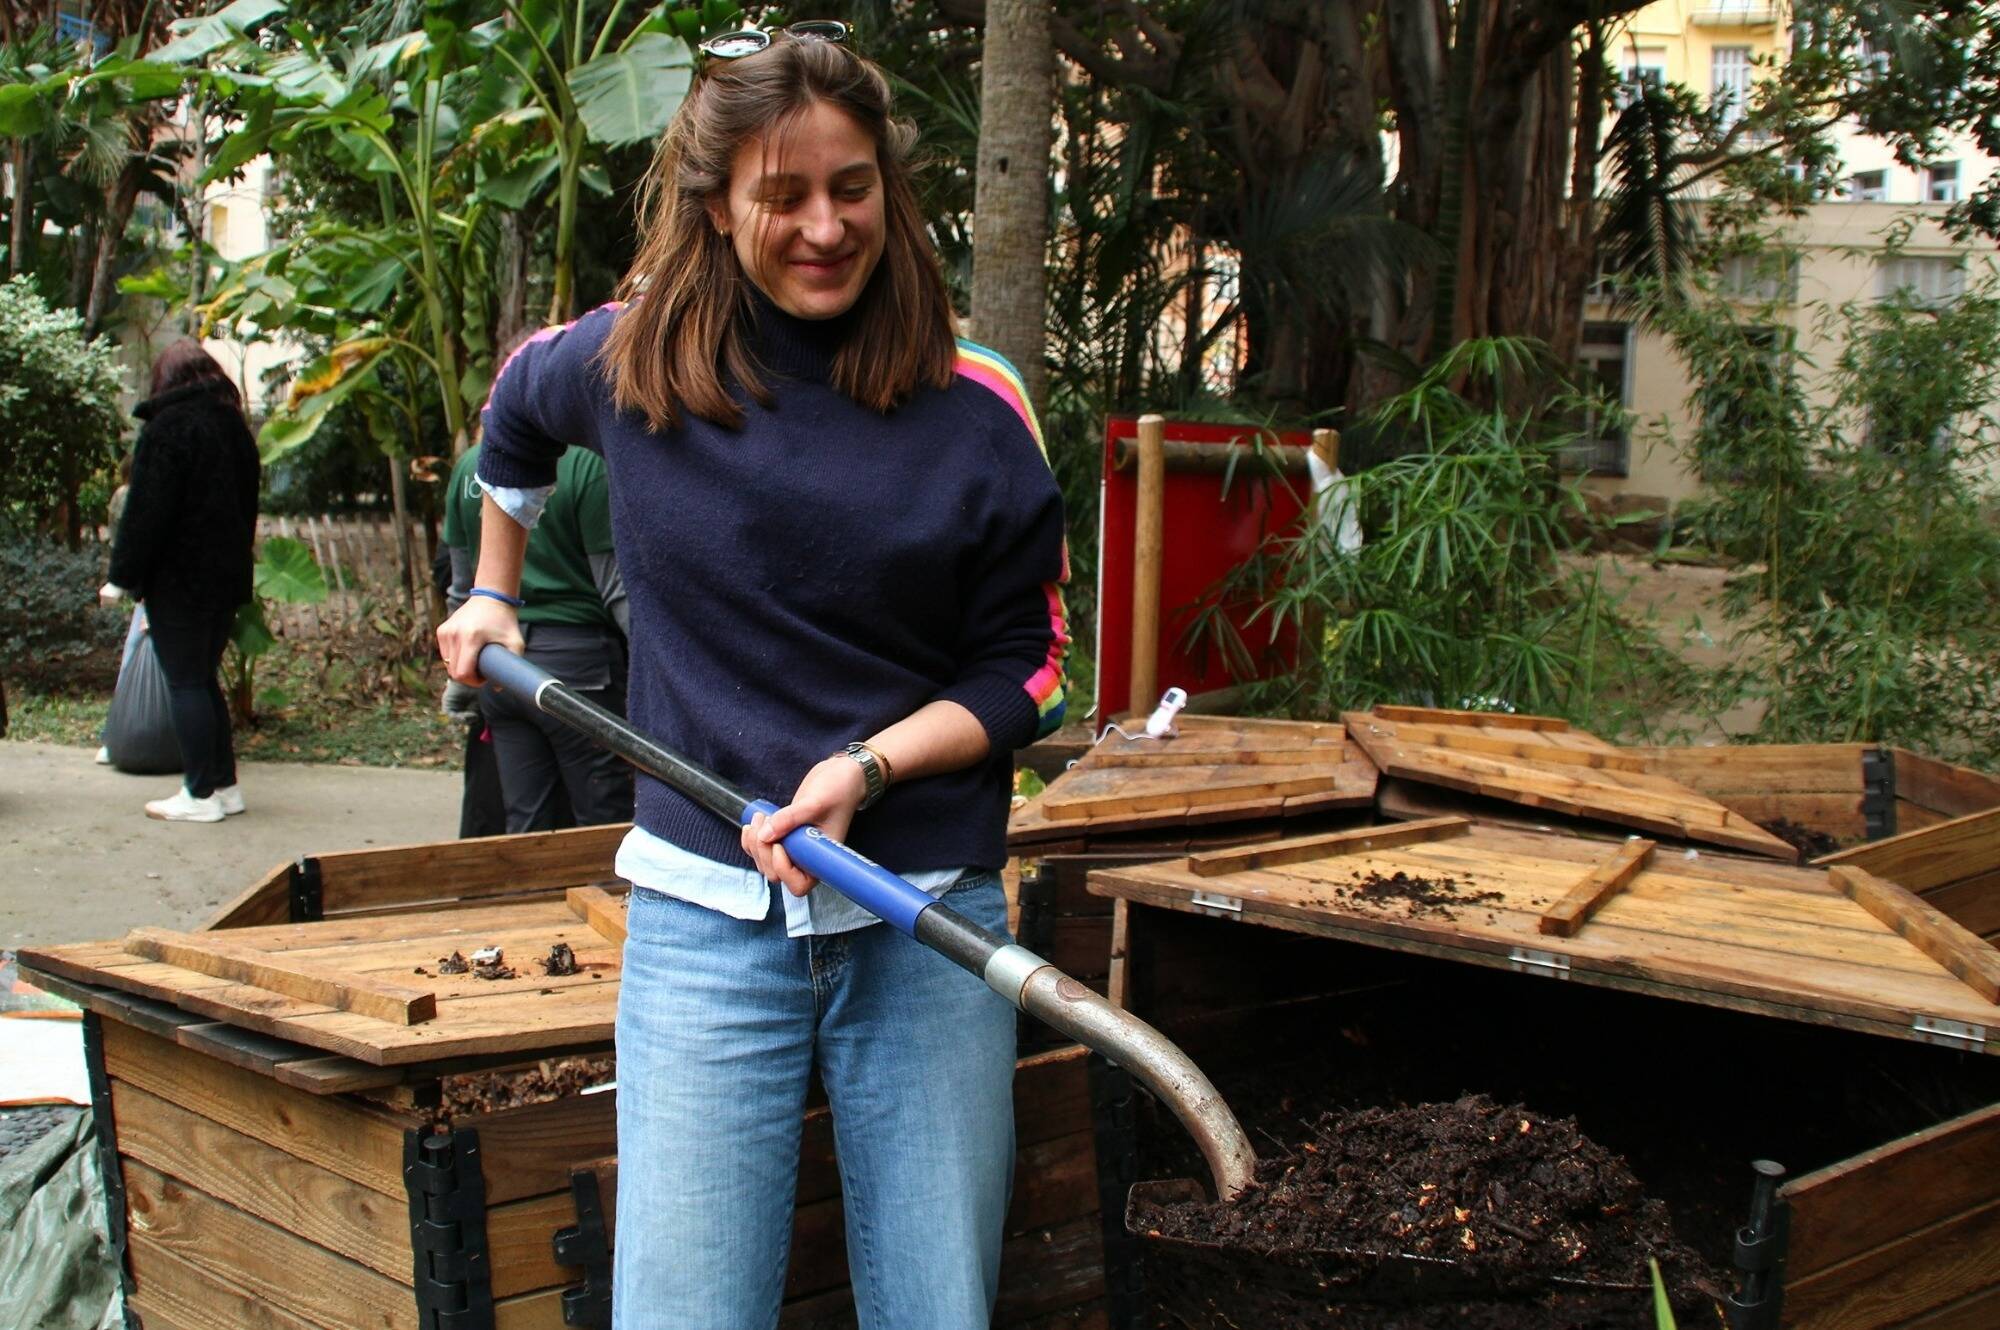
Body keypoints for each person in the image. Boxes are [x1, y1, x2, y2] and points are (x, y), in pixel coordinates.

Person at [435, 25, 1069, 1330]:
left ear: (890, 190)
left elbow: (1034, 670)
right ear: (720, 210)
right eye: (782, 195)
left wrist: (870, 765)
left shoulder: (977, 404)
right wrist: (492, 583)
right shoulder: (636, 362)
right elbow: (512, 408)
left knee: (937, 1308)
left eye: (851, 187)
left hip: (926, 905)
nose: (824, 225)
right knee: (683, 1308)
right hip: (705, 915)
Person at [102, 340, 260, 824]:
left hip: (179, 580)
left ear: (164, 380)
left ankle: (199, 793)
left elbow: (146, 513)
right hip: (225, 576)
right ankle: (224, 787)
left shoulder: (166, 429)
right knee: (203, 678)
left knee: (187, 681)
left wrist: (121, 578)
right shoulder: (233, 426)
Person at [441, 439, 633, 832]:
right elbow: (618, 592)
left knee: (527, 825)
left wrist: (459, 677)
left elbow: (462, 593)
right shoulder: (585, 465)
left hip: (501, 670)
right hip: (578, 674)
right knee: (603, 821)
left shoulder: (468, 468)